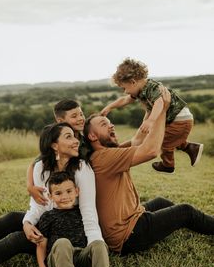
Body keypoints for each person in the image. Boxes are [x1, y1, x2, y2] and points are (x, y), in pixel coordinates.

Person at [83, 106, 214, 256]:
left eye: (110, 122)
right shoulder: (104, 157)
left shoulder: (105, 154)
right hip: (128, 236)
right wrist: (162, 112)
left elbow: (138, 139)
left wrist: (151, 110)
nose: (111, 125)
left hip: (129, 220)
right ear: (92, 136)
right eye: (103, 124)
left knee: (161, 202)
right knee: (185, 211)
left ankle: (195, 223)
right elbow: (151, 151)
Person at [0, 123, 104, 267]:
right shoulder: (41, 167)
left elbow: (89, 211)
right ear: (54, 146)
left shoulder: (82, 168)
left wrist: (93, 248)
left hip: (68, 231)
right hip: (51, 220)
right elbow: (40, 204)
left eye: (74, 136)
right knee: (13, 218)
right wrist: (27, 223)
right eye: (68, 136)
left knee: (18, 239)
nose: (76, 140)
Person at [101, 57, 203, 174]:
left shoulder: (151, 87)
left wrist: (150, 121)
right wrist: (109, 107)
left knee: (162, 142)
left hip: (179, 120)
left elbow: (159, 103)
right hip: (176, 119)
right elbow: (124, 100)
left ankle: (168, 165)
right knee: (167, 139)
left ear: (133, 82)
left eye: (124, 88)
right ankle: (191, 148)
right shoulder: (140, 90)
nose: (125, 92)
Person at [36, 171, 111, 267]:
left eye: (69, 191)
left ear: (77, 191)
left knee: (98, 243)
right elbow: (41, 245)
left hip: (81, 258)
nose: (65, 196)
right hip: (59, 260)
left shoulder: (83, 213)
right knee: (63, 242)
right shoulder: (48, 217)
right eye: (58, 193)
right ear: (50, 196)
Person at [27, 99, 90, 206]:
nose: (80, 119)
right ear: (60, 121)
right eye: (74, 116)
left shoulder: (87, 141)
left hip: (82, 194)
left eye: (81, 114)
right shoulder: (56, 143)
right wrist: (30, 186)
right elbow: (36, 163)